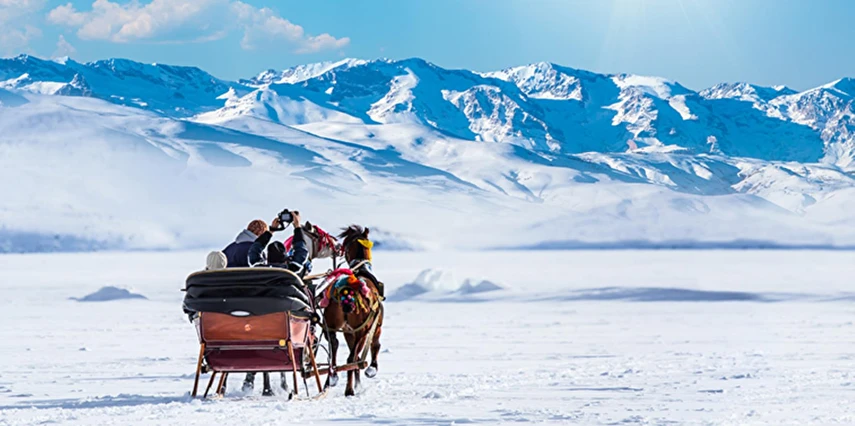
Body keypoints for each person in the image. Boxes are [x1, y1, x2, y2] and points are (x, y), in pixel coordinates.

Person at [247, 211, 310, 276]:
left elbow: (254, 249)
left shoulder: (261, 270)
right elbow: (302, 252)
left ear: (268, 258)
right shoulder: (289, 271)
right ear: (285, 260)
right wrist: (297, 226)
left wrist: (271, 231)